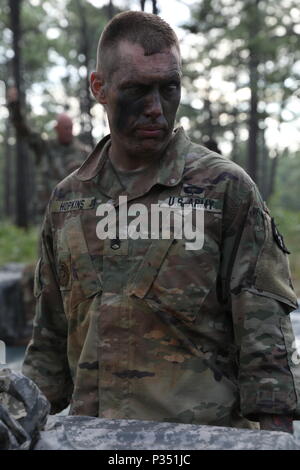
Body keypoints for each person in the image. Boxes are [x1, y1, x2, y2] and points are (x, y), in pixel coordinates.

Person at [22, 11, 300, 433]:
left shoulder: (223, 190)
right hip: (93, 440)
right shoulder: (69, 202)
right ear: (99, 87)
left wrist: (276, 441)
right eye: (136, 90)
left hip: (202, 441)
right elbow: (49, 341)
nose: (156, 109)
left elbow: (266, 345)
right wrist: (21, 418)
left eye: (169, 88)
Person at [7, 87, 91, 221]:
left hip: (76, 215)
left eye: (70, 127)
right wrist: (14, 107)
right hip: (48, 213)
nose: (69, 131)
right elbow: (24, 131)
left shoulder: (84, 152)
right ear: (56, 129)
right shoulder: (44, 148)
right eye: (65, 128)